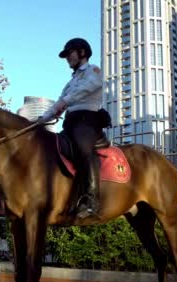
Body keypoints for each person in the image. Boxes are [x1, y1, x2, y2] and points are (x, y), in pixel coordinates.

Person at [39, 38, 110, 219]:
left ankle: (92, 202)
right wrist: (41, 119)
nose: (67, 58)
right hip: (70, 122)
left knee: (83, 148)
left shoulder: (93, 71)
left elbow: (85, 90)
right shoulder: (71, 81)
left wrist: (64, 102)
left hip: (87, 121)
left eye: (69, 53)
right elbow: (59, 102)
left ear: (82, 52)